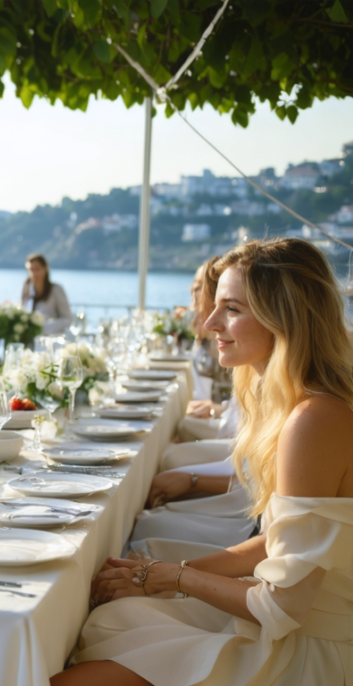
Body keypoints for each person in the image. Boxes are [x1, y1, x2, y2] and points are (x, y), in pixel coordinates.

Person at [55, 238, 353, 686]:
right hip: (290, 625)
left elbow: (284, 607)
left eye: (231, 308)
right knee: (110, 621)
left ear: (284, 318)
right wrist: (153, 575)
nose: (210, 322)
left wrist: (170, 576)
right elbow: (277, 541)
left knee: (80, 673)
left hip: (308, 652)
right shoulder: (296, 405)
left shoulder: (314, 420)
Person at [180, 257, 237, 441]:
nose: (191, 291)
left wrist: (215, 409)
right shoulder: (203, 332)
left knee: (181, 429)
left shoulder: (227, 339)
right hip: (225, 419)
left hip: (231, 428)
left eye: (198, 286)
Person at [20, 253, 71, 335]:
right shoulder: (26, 289)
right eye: (31, 270)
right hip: (29, 338)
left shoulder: (56, 290)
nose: (34, 273)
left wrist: (44, 327)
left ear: (45, 269)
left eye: (37, 269)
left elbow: (67, 319)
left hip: (50, 340)